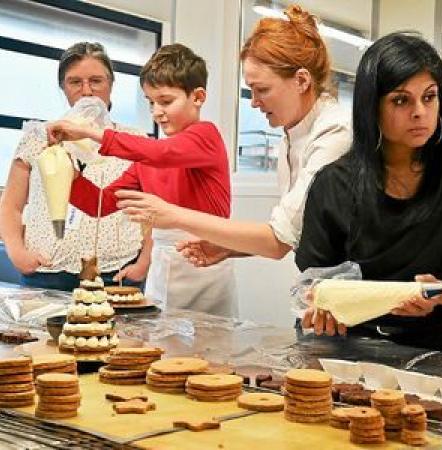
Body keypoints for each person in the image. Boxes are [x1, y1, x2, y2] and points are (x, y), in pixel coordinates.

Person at [294, 33, 442, 353]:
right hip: (347, 345)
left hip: (436, 346)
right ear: (372, 107)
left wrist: (439, 292)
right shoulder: (334, 184)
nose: (419, 112)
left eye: (429, 97)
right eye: (401, 100)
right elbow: (313, 285)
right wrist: (320, 311)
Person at [112, 4, 350, 263]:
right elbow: (293, 234)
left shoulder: (334, 131)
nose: (254, 102)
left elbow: (278, 240)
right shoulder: (289, 139)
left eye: (261, 89)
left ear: (302, 81)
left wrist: (174, 215)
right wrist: (228, 248)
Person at [45, 43, 235, 316]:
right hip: (164, 265)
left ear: (198, 97)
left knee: (214, 350)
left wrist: (91, 132)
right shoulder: (147, 161)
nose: (156, 111)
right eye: (150, 102)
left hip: (207, 269)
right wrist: (69, 178)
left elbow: (163, 152)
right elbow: (101, 202)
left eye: (166, 101)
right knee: (163, 348)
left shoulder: (206, 136)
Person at [0, 42, 147, 291]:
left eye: (96, 81)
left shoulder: (134, 140)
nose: (86, 91)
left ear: (111, 84)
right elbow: (11, 205)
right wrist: (17, 253)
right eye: (75, 82)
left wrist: (144, 260)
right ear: (63, 88)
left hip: (118, 272)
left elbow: (147, 208)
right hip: (46, 272)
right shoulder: (38, 137)